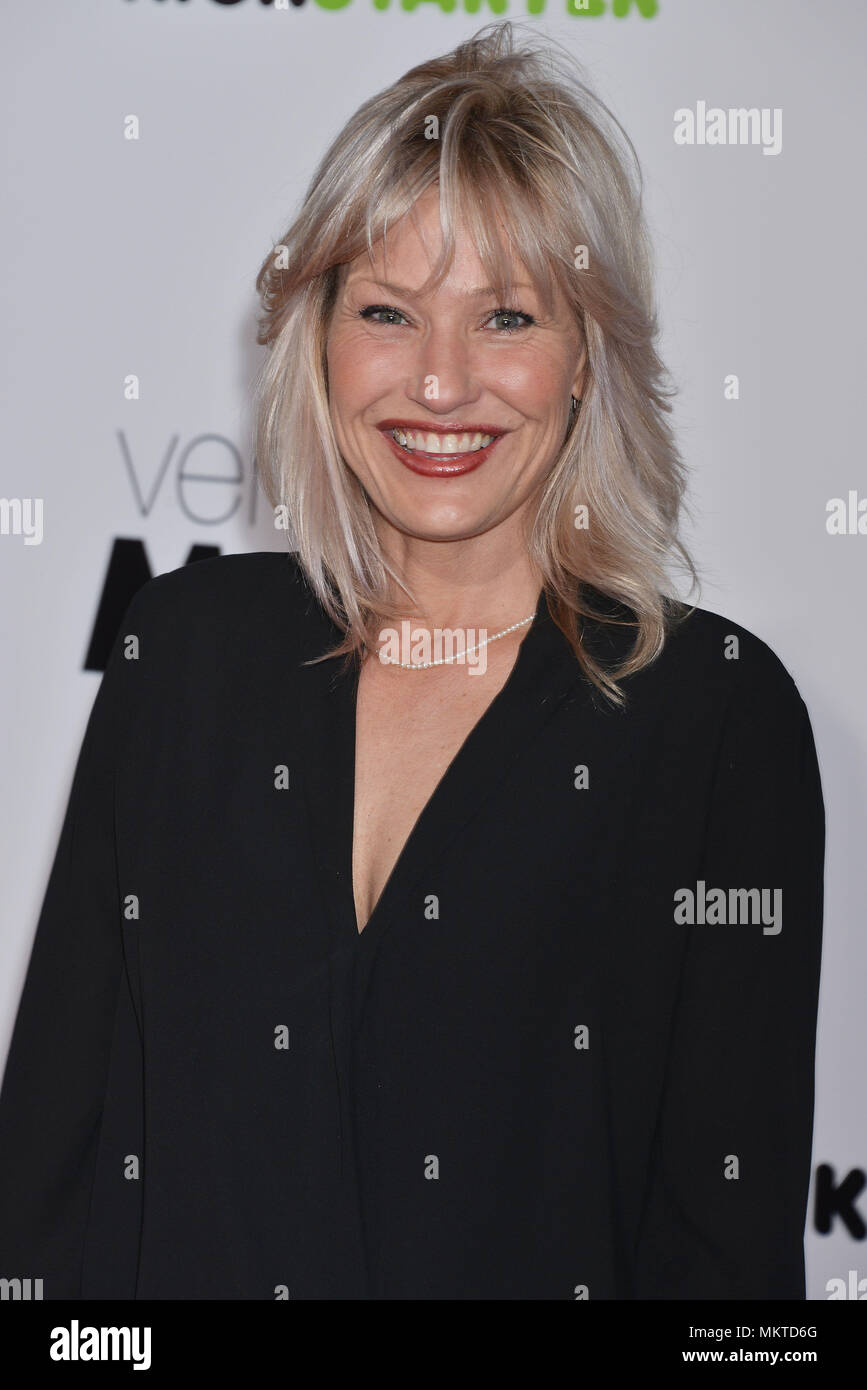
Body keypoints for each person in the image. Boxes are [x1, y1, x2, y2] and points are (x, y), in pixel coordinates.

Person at [0, 21, 824, 1300]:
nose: (441, 384)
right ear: (319, 344)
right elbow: (46, 1180)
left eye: (505, 317)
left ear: (584, 357)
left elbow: (725, 1245)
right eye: (387, 310)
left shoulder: (713, 717)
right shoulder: (183, 657)